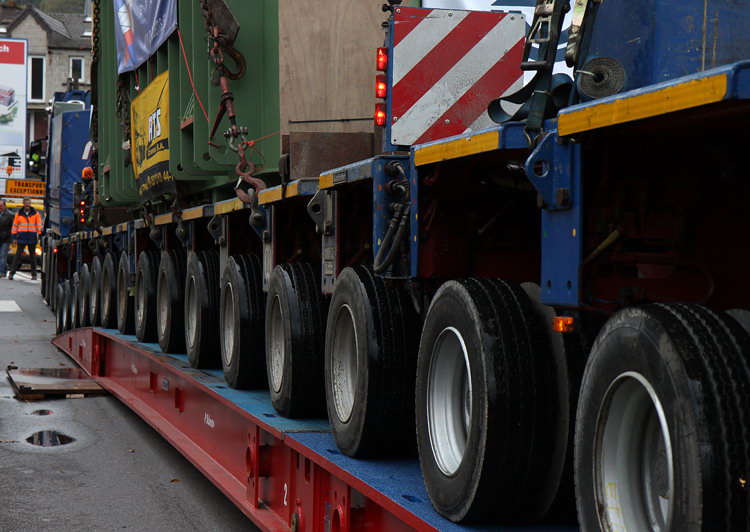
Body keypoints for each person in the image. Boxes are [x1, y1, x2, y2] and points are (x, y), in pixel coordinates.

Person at [9, 198, 42, 280]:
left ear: (30, 204)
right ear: (23, 204)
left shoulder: (36, 214)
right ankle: (11, 274)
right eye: (26, 203)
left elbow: (39, 225)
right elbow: (15, 226)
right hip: (21, 237)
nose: (27, 205)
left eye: (28, 203)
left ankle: (34, 275)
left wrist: (39, 236)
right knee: (17, 256)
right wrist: (14, 237)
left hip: (32, 238)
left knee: (33, 257)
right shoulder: (18, 214)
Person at [0, 199, 13, 278]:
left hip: (5, 239)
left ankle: (1, 272)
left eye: (1, 206)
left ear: (5, 206)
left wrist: (8, 234)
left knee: (2, 255)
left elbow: (13, 227)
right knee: (2, 256)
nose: (0, 207)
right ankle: (4, 269)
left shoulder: (10, 215)